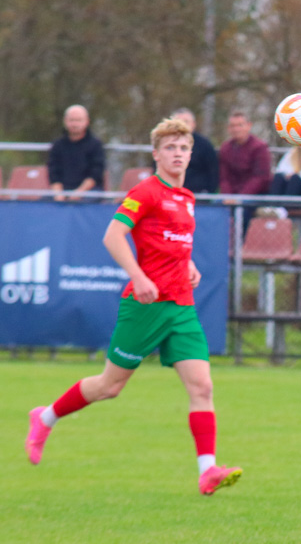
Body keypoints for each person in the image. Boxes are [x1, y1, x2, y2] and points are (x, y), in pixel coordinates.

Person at [25, 118, 242, 495]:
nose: (177, 154)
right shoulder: (147, 191)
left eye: (183, 148)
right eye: (170, 148)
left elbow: (171, 242)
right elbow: (113, 235)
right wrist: (139, 276)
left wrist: (187, 265)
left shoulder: (187, 198)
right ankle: (45, 417)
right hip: (145, 306)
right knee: (110, 386)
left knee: (202, 387)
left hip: (181, 306)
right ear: (156, 155)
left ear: (191, 154)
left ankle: (207, 471)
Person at [218, 111, 272, 234]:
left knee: (242, 215)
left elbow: (260, 178)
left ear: (249, 126)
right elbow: (224, 177)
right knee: (214, 210)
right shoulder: (225, 148)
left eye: (240, 125)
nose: (236, 129)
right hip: (230, 197)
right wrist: (228, 196)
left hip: (254, 197)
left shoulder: (259, 148)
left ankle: (240, 248)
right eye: (233, 126)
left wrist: (240, 197)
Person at [48, 104, 105, 201]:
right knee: (44, 201)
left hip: (89, 192)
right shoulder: (57, 145)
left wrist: (80, 192)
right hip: (63, 190)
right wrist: (58, 193)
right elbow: (53, 172)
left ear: (87, 121)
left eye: (78, 120)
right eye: (71, 120)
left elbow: (96, 173)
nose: (74, 124)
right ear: (65, 121)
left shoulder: (96, 145)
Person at [170, 108, 219, 194]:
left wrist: (209, 193)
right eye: (178, 122)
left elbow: (213, 171)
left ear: (193, 124)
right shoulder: (165, 144)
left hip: (198, 196)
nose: (182, 125)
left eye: (186, 121)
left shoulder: (205, 145)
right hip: (171, 193)